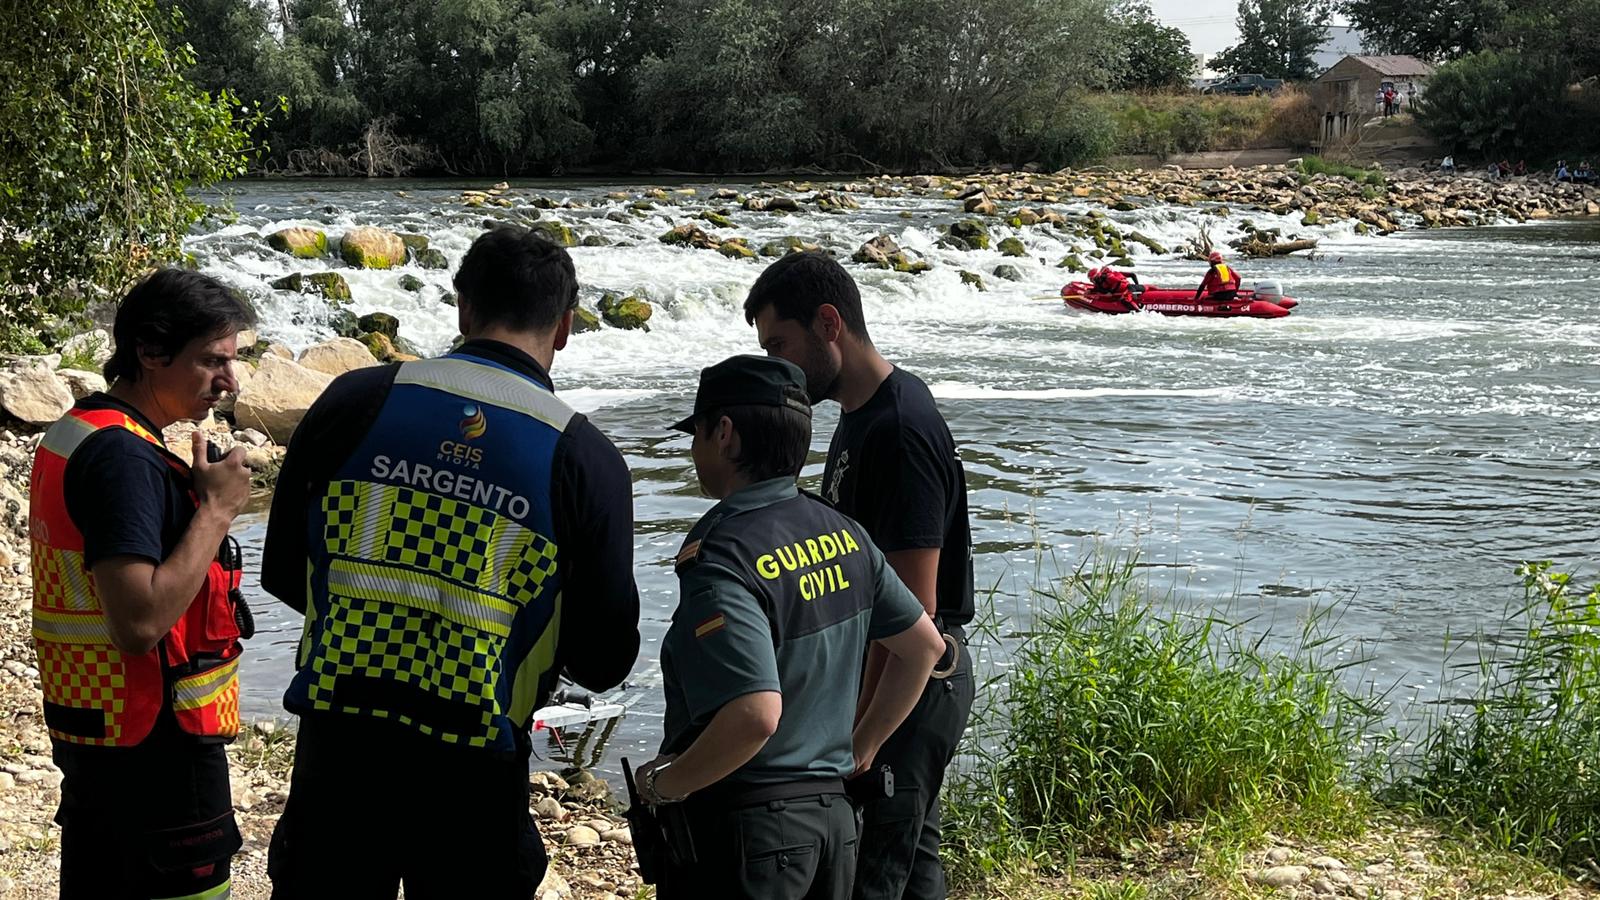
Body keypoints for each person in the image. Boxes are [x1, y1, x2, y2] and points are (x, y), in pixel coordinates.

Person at [261, 225, 642, 897]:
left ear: (463, 309)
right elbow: (603, 659)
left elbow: (284, 573)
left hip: (340, 753)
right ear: (565, 328)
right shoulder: (583, 458)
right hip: (477, 772)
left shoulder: (356, 401)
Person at [635, 354, 945, 899]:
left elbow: (755, 714)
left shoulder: (722, 553)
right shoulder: (843, 533)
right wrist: (861, 746)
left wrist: (663, 785)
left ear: (725, 434)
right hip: (835, 829)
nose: (694, 450)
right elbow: (923, 648)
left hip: (750, 834)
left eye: (698, 434)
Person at [743, 252, 977, 900]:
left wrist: (858, 737)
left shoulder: (899, 427)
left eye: (779, 345)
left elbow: (911, 613)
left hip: (913, 685)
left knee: (875, 874)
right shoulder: (859, 415)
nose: (776, 366)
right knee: (911, 864)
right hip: (901, 682)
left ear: (828, 323)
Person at [31, 268, 255, 899]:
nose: (228, 383)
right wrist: (215, 511)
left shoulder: (85, 428)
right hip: (156, 753)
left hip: (99, 737)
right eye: (212, 361)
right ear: (151, 352)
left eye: (232, 362)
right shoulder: (123, 459)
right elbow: (138, 623)